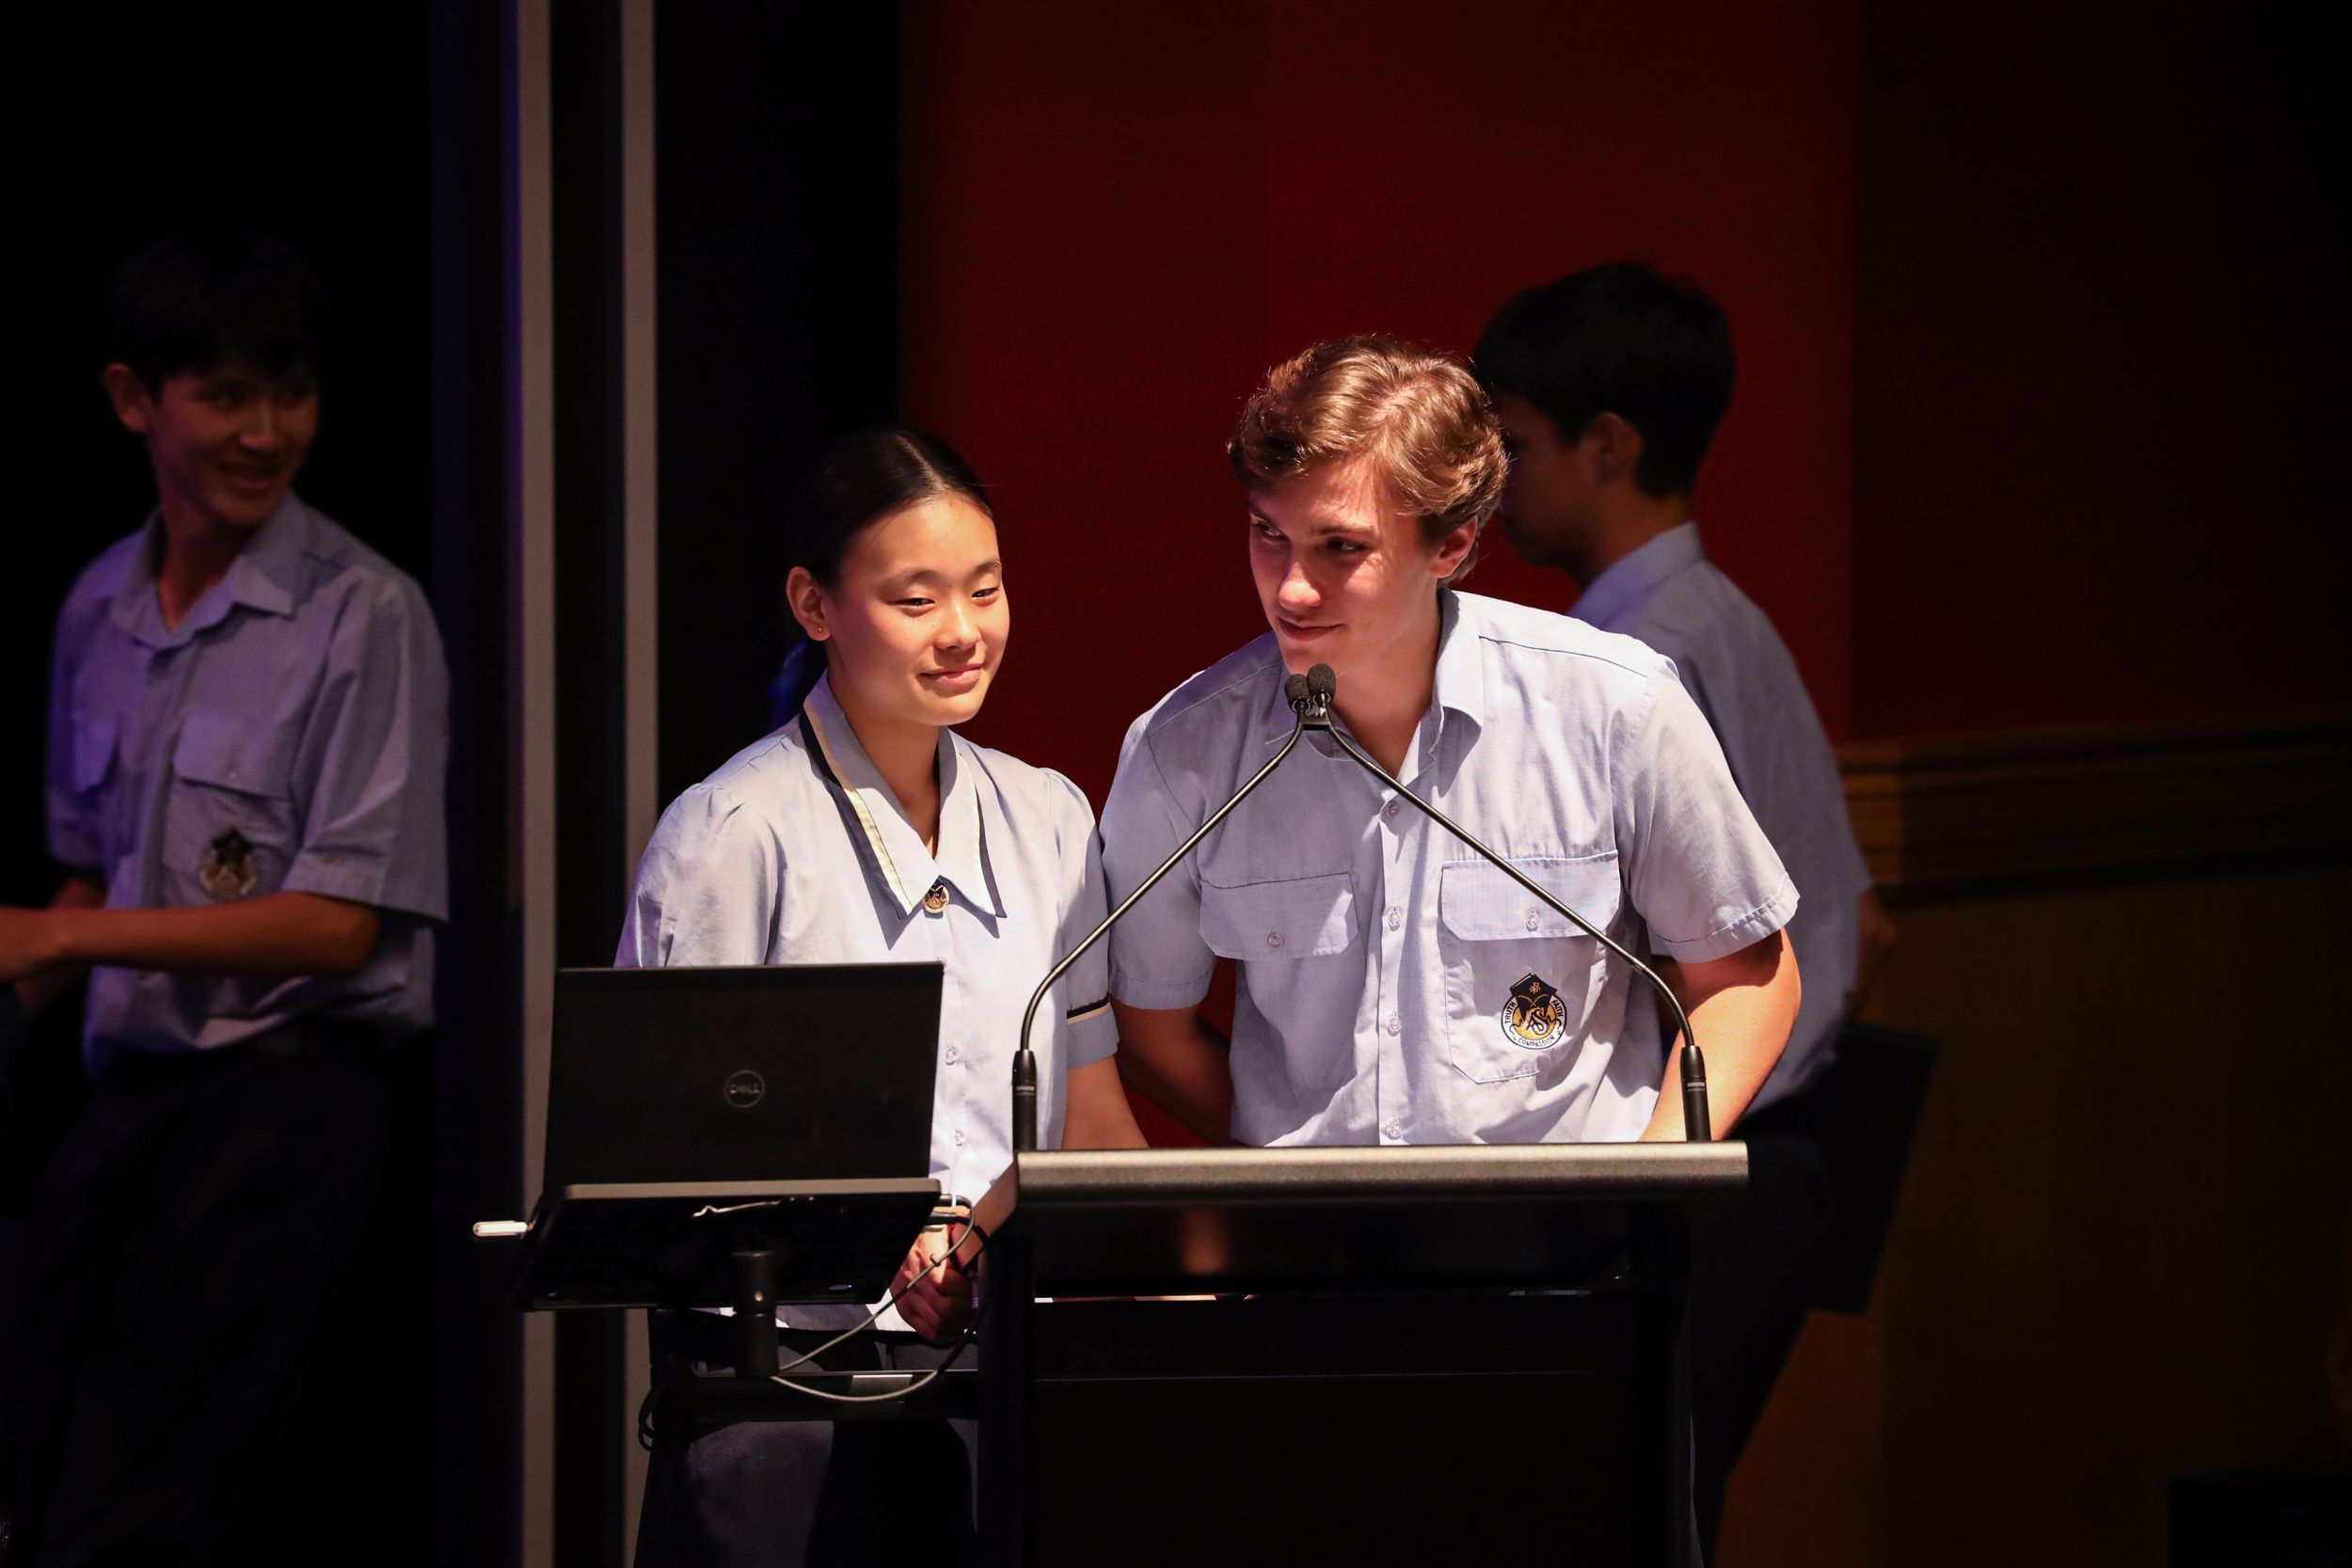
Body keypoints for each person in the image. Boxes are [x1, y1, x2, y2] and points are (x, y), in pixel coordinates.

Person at [618, 427, 1145, 1567]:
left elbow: (1093, 1118)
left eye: (985, 589)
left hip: (1004, 1370)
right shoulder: (732, 831)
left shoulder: (1051, 816)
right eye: (916, 598)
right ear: (813, 604)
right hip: (785, 1387)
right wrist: (877, 1231)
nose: (963, 630)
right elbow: (666, 1154)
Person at [0, 230, 448, 1564]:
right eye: (228, 395)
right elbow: (93, 868)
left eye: (291, 392)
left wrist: (60, 931)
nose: (266, 431)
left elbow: (341, 921)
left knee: (147, 1492)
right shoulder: (97, 604)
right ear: (135, 399)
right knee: (38, 1440)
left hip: (284, 1100)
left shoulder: (363, 611)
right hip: (129, 1093)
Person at [1101, 334, 1801, 1153]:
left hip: (1573, 1222)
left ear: (1452, 545)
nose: (1291, 587)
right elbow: (1147, 1027)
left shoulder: (1616, 707)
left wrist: (1650, 1173)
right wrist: (1287, 1172)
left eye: (1340, 546)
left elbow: (1748, 976)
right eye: (1268, 532)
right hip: (1316, 1232)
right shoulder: (1183, 750)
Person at [1474, 261, 1897, 1554]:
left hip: (1715, 1157)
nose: (1491, 477)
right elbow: (1866, 925)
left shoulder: (1637, 662)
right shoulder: (1731, 621)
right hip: (1773, 1151)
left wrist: (1662, 1154)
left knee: (1626, 1505)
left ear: (1609, 444)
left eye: (1515, 442)